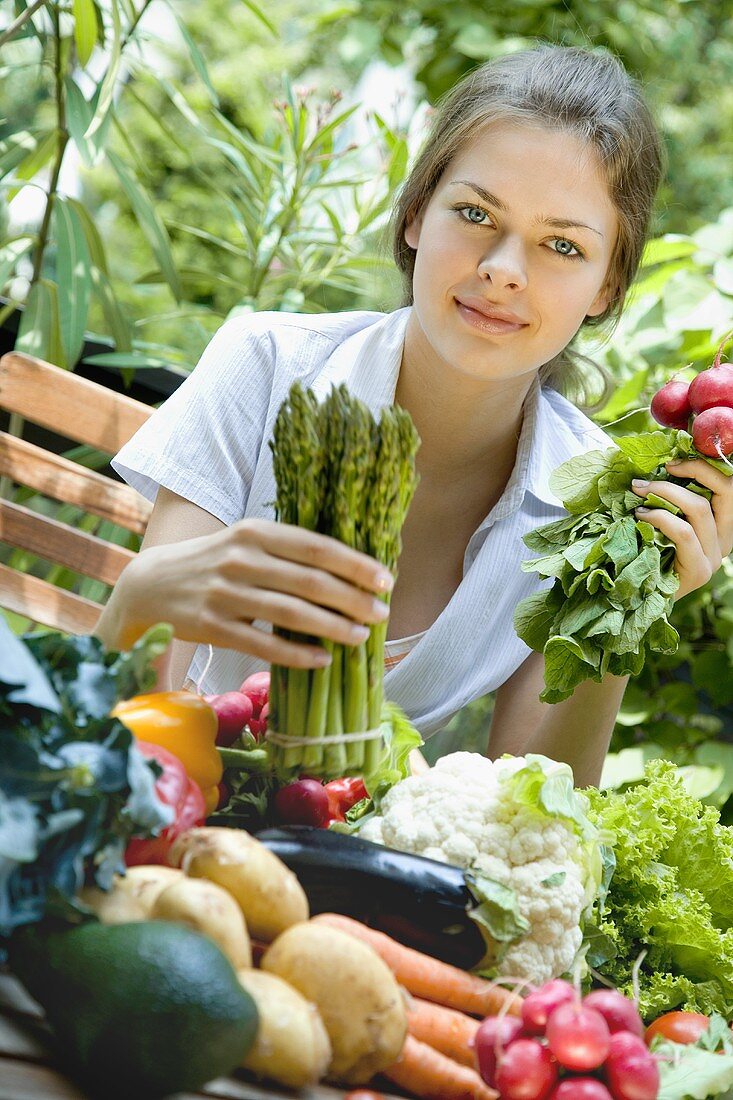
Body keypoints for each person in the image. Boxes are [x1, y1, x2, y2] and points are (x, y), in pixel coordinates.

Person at [97, 45, 733, 788]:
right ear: (412, 217)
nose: (502, 267)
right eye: (473, 213)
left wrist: (626, 610)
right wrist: (142, 596)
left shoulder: (594, 513)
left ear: (606, 286)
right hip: (170, 814)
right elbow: (133, 689)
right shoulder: (268, 367)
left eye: (562, 245)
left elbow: (530, 814)